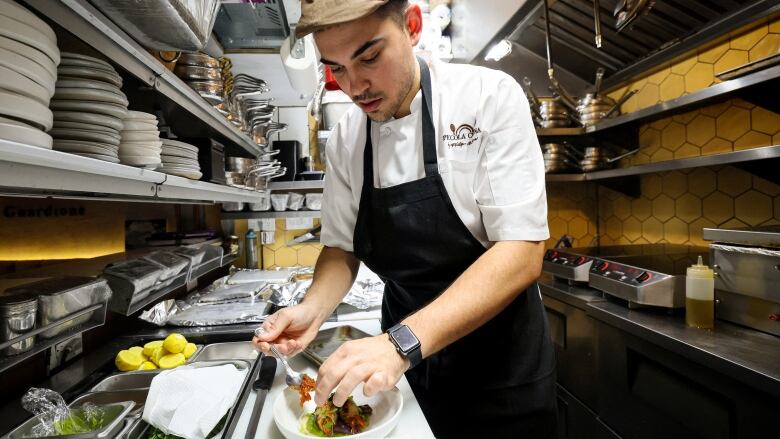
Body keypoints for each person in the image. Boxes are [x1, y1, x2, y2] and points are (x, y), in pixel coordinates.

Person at [253, 0, 556, 437]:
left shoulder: (487, 96)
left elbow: (522, 251)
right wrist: (312, 310)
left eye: (369, 57)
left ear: (412, 26)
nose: (355, 87)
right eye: (336, 68)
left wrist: (402, 342)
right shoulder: (347, 136)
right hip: (402, 369)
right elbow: (341, 248)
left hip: (501, 367)